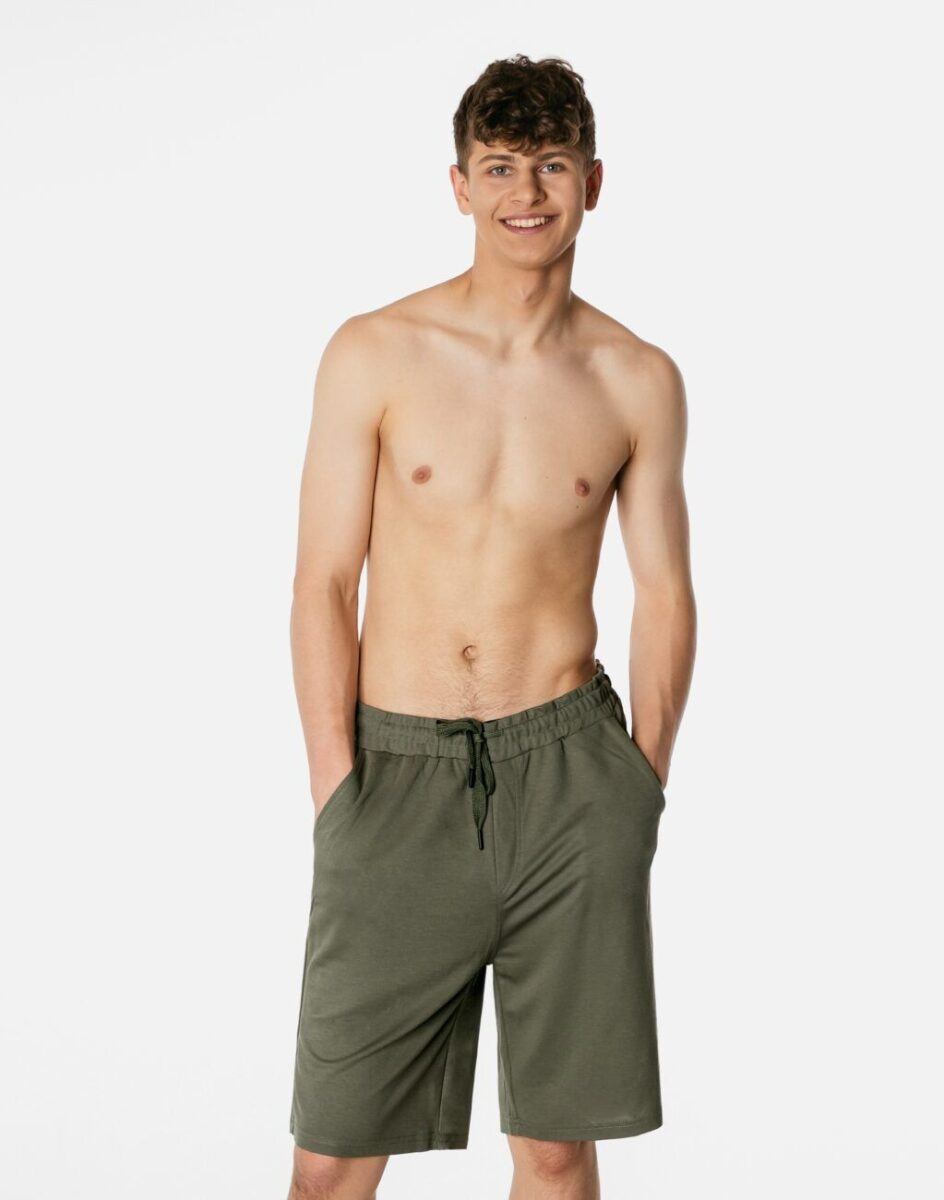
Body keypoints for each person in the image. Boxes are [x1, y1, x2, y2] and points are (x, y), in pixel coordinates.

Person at [286, 53, 697, 1200]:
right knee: (330, 1157)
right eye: (501, 166)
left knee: (557, 1152)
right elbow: (323, 579)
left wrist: (638, 784)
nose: (527, 192)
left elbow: (664, 591)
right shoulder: (374, 352)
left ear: (591, 182)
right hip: (395, 777)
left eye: (551, 165)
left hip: (568, 778)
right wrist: (336, 789)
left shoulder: (635, 378)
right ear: (458, 185)